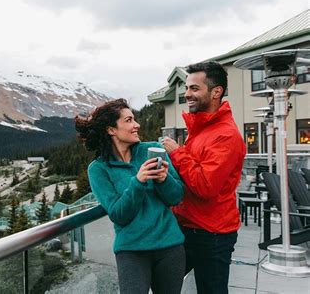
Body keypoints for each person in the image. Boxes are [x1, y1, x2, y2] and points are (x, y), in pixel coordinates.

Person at [75, 98, 186, 294]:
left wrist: (163, 179)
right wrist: (139, 181)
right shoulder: (98, 169)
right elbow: (119, 214)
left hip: (170, 248)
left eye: (134, 119)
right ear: (111, 130)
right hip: (131, 251)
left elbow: (176, 197)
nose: (137, 125)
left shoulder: (151, 151)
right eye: (129, 120)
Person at [161, 61, 246, 294]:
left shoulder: (226, 135)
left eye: (194, 88)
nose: (187, 94)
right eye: (186, 88)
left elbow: (205, 186)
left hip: (212, 235)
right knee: (164, 283)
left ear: (216, 92)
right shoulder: (201, 130)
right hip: (188, 227)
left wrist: (176, 153)